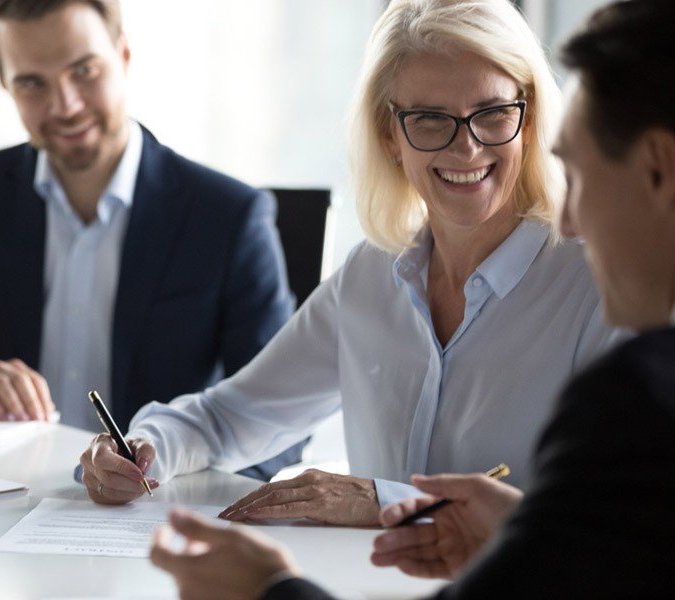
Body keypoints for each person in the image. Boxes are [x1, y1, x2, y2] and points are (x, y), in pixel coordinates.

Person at [149, 0, 675, 597]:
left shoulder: (605, 290)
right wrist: (148, 448)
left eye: (494, 113)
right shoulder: (371, 275)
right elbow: (232, 415)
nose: (468, 148)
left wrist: (385, 502)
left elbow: (599, 535)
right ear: (389, 134)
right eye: (430, 119)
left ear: (528, 122)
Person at [0, 0, 304, 481]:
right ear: (5, 86)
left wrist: (180, 481)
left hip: (159, 514)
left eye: (84, 70)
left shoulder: (228, 216)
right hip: (4, 503)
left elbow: (280, 419)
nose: (66, 105)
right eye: (32, 83)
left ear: (123, 56)